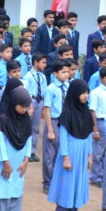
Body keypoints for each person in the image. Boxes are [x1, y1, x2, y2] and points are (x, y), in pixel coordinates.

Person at [48, 79, 92, 211]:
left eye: (87, 93)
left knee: (79, 184)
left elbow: (89, 135)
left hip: (82, 153)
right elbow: (64, 137)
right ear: (74, 93)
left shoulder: (86, 112)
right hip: (70, 154)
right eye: (83, 93)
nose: (85, 96)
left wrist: (90, 155)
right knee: (67, 184)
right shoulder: (67, 113)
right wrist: (65, 157)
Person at [0, 86, 32, 211]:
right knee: (3, 192)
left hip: (20, 161)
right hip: (7, 161)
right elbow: (0, 142)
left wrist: (27, 159)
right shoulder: (4, 119)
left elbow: (28, 139)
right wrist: (5, 162)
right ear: (14, 103)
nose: (24, 109)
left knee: (16, 191)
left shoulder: (26, 118)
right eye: (22, 106)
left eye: (27, 106)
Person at [42, 59, 70, 193]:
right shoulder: (51, 89)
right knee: (49, 155)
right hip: (53, 120)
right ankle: (47, 182)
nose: (66, 74)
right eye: (63, 72)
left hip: (65, 121)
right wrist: (50, 130)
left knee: (62, 151)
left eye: (67, 72)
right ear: (55, 73)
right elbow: (47, 109)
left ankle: (58, 180)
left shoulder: (68, 86)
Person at [89, 66, 106, 188]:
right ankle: (95, 176)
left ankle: (104, 175)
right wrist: (95, 130)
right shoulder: (96, 93)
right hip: (101, 122)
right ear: (101, 79)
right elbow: (92, 111)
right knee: (98, 152)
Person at [23, 53, 47, 163]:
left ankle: (32, 151)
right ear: (35, 62)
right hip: (31, 101)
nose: (45, 65)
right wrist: (28, 105)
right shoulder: (28, 76)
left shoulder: (42, 76)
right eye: (43, 62)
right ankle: (25, 150)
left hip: (40, 101)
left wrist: (43, 108)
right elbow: (26, 91)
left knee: (36, 128)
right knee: (27, 126)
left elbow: (45, 91)